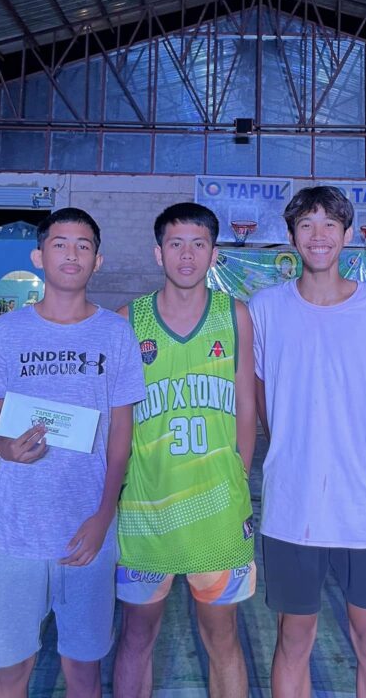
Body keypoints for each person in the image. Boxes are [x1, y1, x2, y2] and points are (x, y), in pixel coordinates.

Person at [0, 207, 145, 698]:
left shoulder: (115, 333)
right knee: (10, 672)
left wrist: (103, 516)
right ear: (39, 256)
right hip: (14, 532)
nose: (72, 254)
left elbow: (121, 434)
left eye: (83, 246)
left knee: (83, 671)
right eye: (60, 243)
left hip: (85, 531)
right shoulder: (8, 331)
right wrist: (3, 446)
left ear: (98, 260)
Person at [249, 186, 366, 698]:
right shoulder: (266, 308)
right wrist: (297, 448)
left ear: (348, 234)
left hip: (365, 507)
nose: (318, 236)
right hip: (292, 506)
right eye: (306, 225)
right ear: (291, 236)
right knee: (293, 640)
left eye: (329, 225)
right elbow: (262, 398)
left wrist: (348, 451)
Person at [113, 203, 256, 698]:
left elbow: (246, 406)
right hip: (144, 513)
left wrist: (237, 477)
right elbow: (117, 419)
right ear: (159, 253)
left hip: (217, 514)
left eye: (198, 244)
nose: (187, 255)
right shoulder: (128, 320)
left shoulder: (235, 316)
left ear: (214, 254)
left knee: (222, 638)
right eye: (176, 244)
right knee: (136, 636)